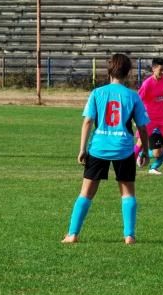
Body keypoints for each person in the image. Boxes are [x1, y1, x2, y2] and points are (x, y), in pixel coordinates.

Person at [63, 53, 150, 244]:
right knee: (128, 193)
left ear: (109, 71)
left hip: (98, 148)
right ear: (128, 73)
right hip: (124, 149)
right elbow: (143, 127)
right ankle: (129, 235)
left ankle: (72, 234)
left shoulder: (97, 93)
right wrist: (144, 150)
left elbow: (88, 122)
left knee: (86, 192)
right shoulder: (133, 96)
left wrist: (82, 149)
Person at [137, 58, 163, 175]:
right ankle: (140, 155)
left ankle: (153, 168)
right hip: (151, 120)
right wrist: (138, 117)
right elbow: (138, 101)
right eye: (161, 70)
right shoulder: (147, 84)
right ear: (153, 69)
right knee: (157, 152)